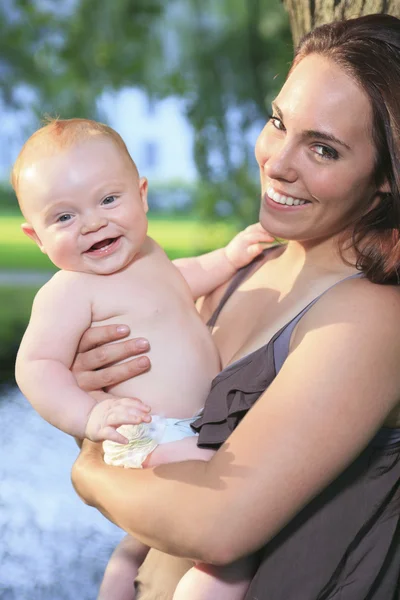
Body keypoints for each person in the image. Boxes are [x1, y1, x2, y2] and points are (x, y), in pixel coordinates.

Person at [71, 14, 400, 600]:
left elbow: (217, 525)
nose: (278, 161)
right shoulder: (243, 270)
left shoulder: (370, 317)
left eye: (323, 148)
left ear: (383, 178)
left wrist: (88, 470)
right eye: (279, 122)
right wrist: (96, 407)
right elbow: (152, 451)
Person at [13, 118, 273, 600]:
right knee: (228, 512)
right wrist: (88, 415)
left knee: (140, 544)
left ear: (141, 195)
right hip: (149, 433)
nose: (93, 223)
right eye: (64, 217)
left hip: (190, 423)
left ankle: (120, 577)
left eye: (108, 200)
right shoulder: (70, 291)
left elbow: (184, 277)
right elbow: (35, 366)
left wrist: (230, 258)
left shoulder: (149, 255)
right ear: (37, 237)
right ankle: (208, 587)